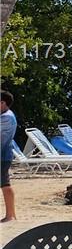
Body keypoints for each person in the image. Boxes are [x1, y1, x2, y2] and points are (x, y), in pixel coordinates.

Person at [1, 90, 18, 222]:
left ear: (3, 103)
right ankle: (10, 215)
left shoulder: (7, 117)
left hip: (3, 155)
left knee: (5, 184)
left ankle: (10, 215)